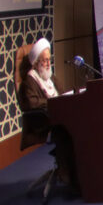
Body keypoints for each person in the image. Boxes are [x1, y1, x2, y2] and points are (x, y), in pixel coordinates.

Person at [16, 38, 76, 189]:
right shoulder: (30, 80)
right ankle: (66, 174)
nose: (48, 64)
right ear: (36, 63)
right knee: (65, 132)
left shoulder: (50, 77)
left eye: (49, 59)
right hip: (41, 122)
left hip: (56, 117)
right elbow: (32, 103)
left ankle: (75, 172)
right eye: (44, 60)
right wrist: (52, 102)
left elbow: (63, 94)